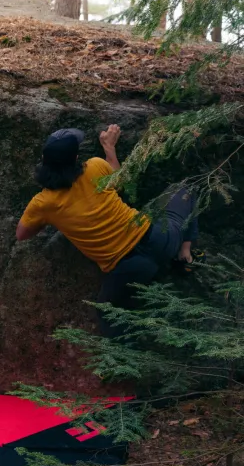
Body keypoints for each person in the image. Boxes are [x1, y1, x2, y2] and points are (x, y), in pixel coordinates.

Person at [16, 125, 199, 336]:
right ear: (76, 157)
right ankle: (184, 253)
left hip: (130, 268)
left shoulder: (43, 203)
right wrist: (109, 147)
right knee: (188, 189)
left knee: (108, 314)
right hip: (160, 238)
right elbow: (119, 181)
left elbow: (22, 234)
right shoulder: (95, 166)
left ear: (43, 158)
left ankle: (119, 365)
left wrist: (47, 219)